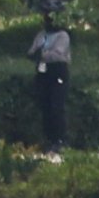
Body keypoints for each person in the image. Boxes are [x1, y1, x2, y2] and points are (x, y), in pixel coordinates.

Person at [32, 22, 72, 153]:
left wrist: (42, 53)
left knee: (57, 107)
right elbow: (32, 51)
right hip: (43, 73)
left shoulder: (62, 36)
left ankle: (60, 140)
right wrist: (39, 53)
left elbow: (58, 53)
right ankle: (48, 139)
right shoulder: (41, 35)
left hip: (57, 72)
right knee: (45, 106)